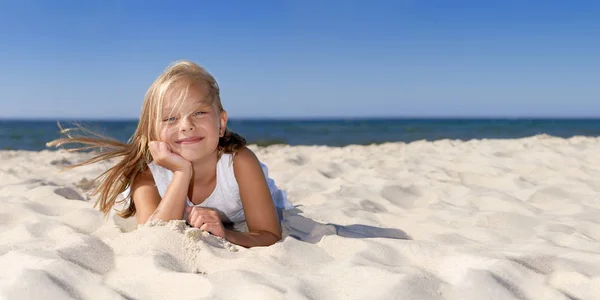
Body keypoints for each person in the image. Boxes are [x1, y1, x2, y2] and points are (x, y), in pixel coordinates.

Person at [47, 60, 293, 248]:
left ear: (221, 123)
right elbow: (155, 236)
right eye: (171, 118)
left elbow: (270, 235)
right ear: (153, 131)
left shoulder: (240, 161)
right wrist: (181, 172)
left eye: (198, 113)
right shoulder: (146, 176)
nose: (185, 125)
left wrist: (226, 234)